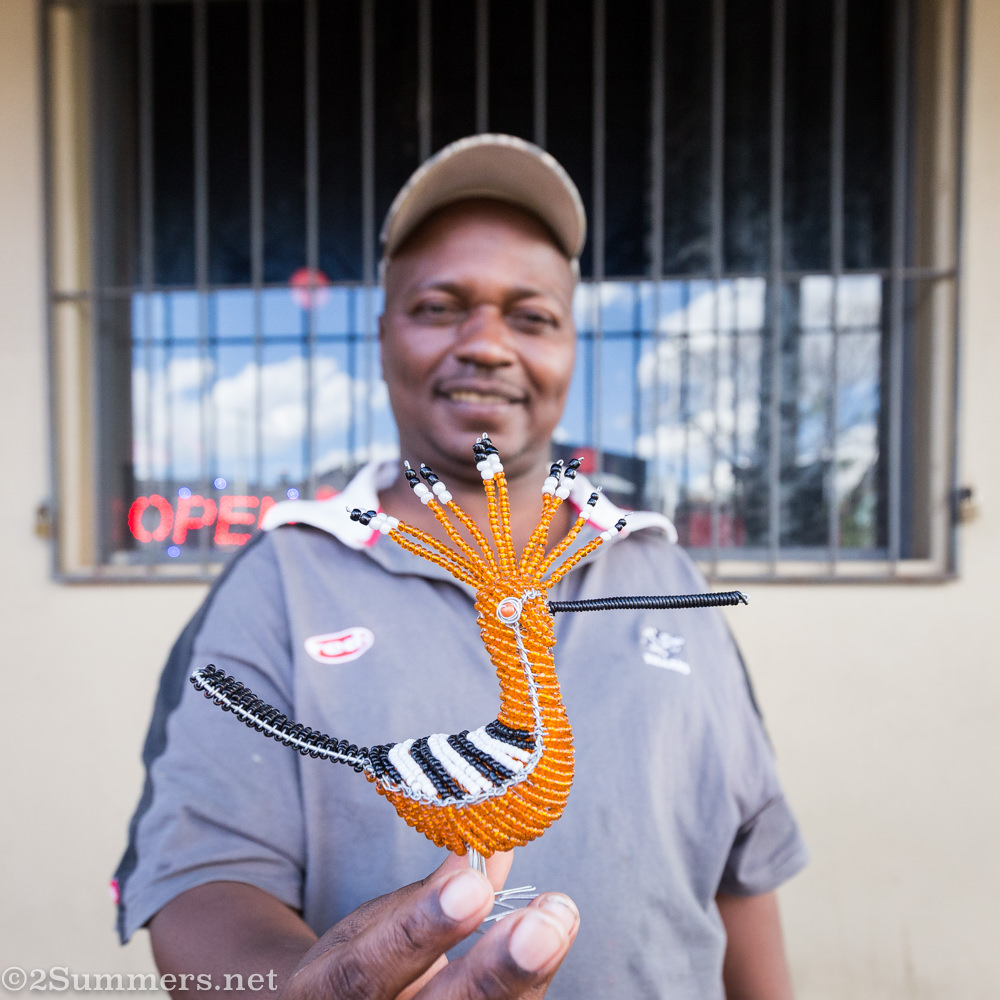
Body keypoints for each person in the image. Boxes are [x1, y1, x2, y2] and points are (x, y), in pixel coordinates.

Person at [115, 134, 807, 1000]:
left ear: (570, 347)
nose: (486, 343)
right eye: (440, 307)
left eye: (532, 316)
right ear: (381, 335)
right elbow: (200, 878)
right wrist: (317, 983)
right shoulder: (281, 580)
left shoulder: (664, 569)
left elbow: (742, 882)